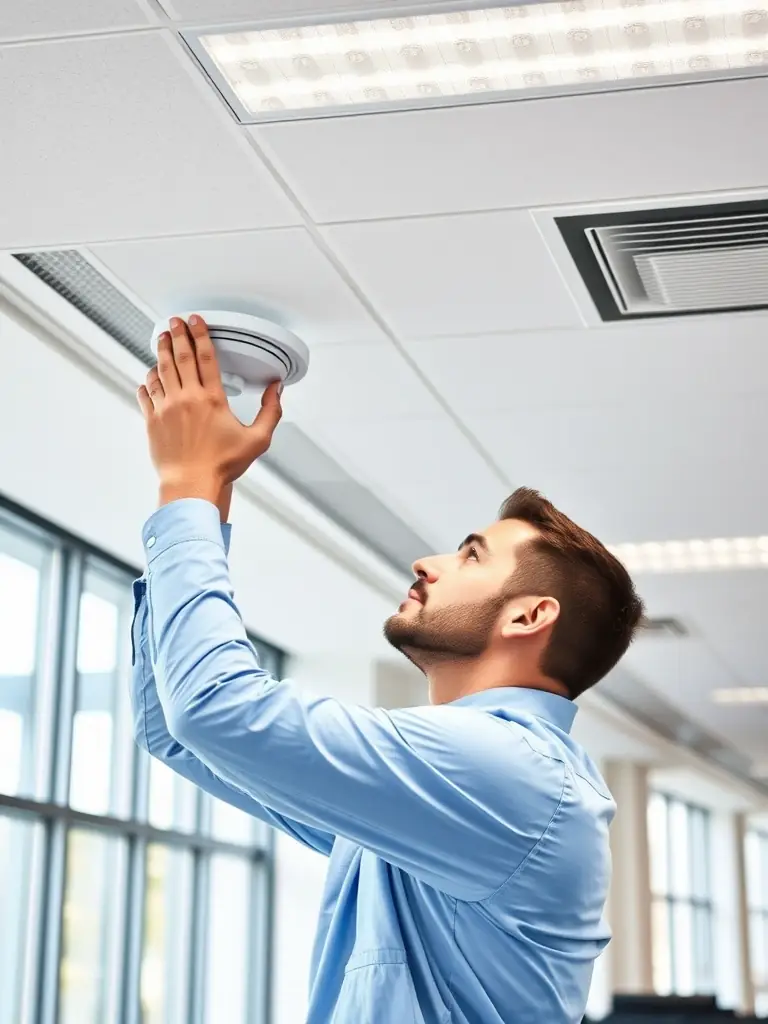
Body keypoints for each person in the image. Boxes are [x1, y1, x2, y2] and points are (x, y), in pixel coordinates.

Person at [131, 316, 644, 1024]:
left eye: (469, 556)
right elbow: (176, 729)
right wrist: (203, 486)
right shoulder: (439, 797)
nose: (425, 563)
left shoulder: (507, 772)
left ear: (528, 618)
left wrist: (187, 482)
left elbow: (213, 713)